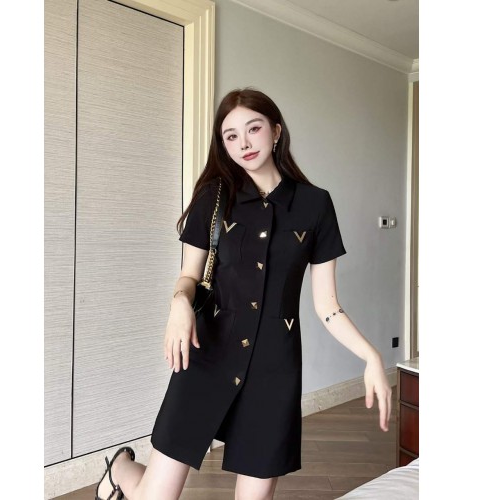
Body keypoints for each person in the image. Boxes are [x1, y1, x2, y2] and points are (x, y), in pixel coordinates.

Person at [95, 88, 392, 500]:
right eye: (231, 136)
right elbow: (189, 276)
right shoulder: (214, 197)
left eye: (253, 129)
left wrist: (371, 356)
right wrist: (179, 304)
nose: (244, 143)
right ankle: (121, 469)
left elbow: (327, 305)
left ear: (276, 131)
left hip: (274, 369)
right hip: (206, 354)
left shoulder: (315, 205)